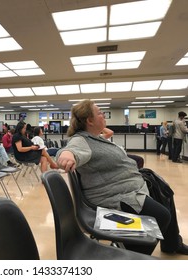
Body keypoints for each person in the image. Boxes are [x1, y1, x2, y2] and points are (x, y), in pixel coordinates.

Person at [56, 100, 188, 255]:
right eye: (100, 113)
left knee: (165, 192)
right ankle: (131, 255)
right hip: (116, 196)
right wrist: (66, 156)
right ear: (89, 120)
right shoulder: (81, 139)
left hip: (127, 187)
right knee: (161, 215)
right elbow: (70, 149)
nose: (104, 115)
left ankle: (172, 243)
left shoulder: (93, 137)